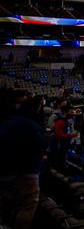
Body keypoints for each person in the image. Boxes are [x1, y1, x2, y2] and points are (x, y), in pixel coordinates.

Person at [0, 91, 46, 229]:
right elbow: (40, 146)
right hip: (27, 172)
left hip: (5, 170)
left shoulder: (9, 121)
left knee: (7, 205)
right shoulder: (31, 125)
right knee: (27, 206)